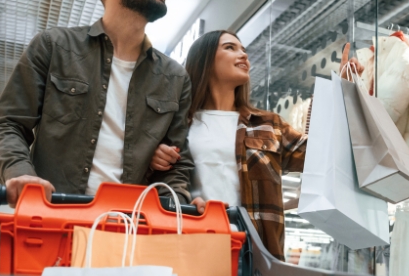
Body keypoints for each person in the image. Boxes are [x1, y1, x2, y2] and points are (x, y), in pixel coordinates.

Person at [0, 0, 193, 206]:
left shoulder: (174, 77)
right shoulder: (55, 47)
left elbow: (178, 165)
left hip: (131, 230)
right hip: (52, 217)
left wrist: (173, 210)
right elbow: (7, 125)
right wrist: (21, 174)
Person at [149, 30, 360, 259]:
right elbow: (153, 185)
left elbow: (322, 155)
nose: (243, 55)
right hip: (190, 249)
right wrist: (152, 159)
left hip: (254, 257)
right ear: (205, 60)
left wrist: (342, 95)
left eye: (244, 50)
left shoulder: (267, 125)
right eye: (230, 48)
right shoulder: (178, 124)